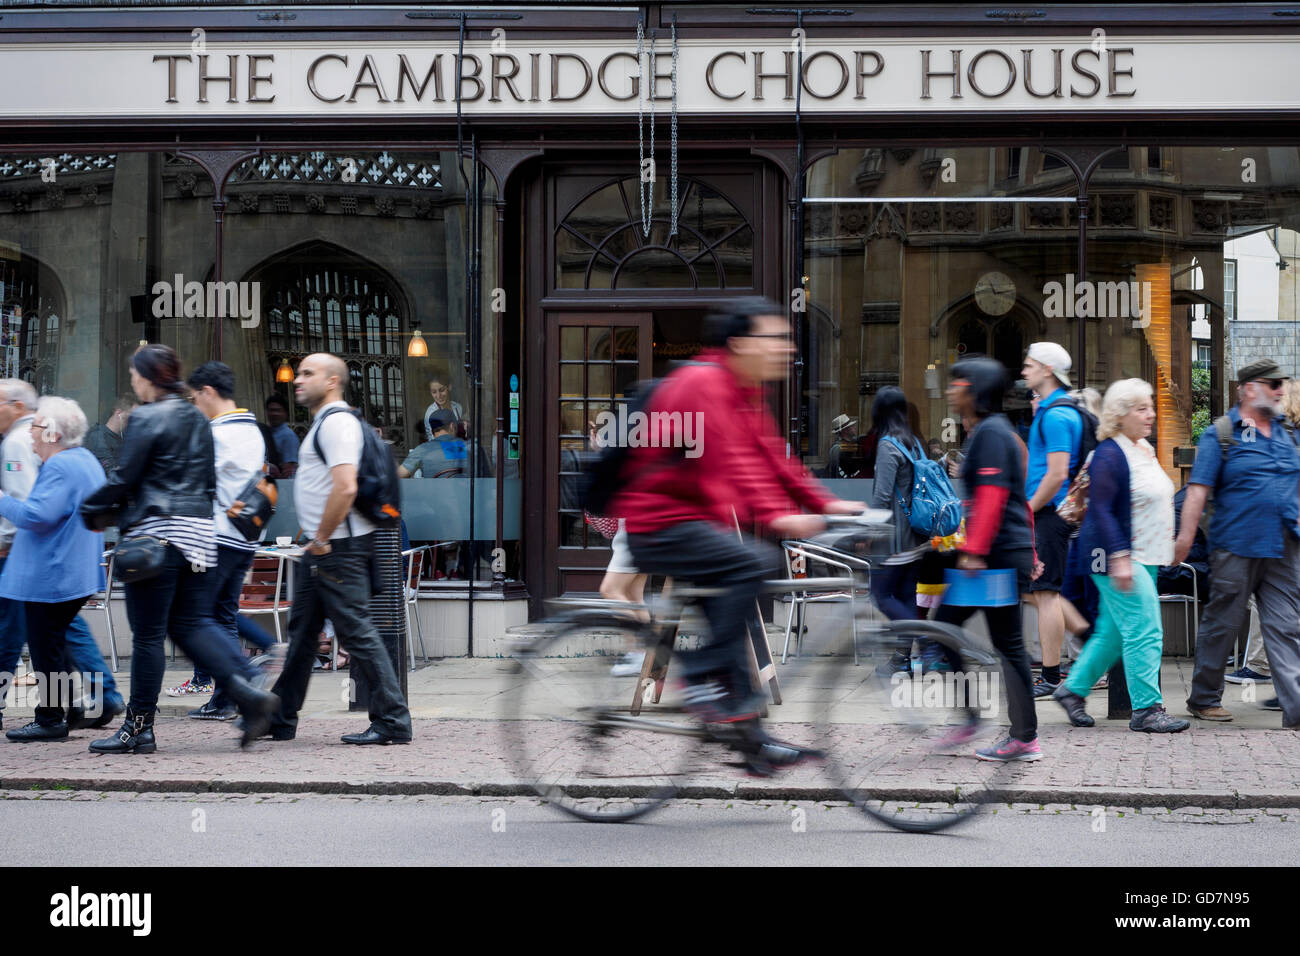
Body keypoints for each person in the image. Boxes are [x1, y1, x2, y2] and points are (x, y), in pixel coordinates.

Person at [611, 297, 865, 777]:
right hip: (659, 521)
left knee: (736, 592)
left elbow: (773, 461)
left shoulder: (743, 392)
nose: (787, 348)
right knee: (749, 562)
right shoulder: (703, 383)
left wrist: (827, 505)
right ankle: (700, 679)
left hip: (693, 523)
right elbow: (728, 466)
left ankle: (751, 740)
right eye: (776, 338)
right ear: (740, 343)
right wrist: (780, 518)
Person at [80, 344, 278, 753]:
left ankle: (138, 728)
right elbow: (206, 481)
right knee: (190, 623)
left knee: (149, 636)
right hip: (199, 536)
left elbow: (125, 475)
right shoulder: (196, 417)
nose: (133, 381)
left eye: (135, 374)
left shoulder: (148, 416)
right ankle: (248, 694)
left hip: (157, 535)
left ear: (149, 376)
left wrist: (93, 508)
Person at [261, 353, 413, 745]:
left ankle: (393, 720)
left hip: (337, 547)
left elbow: (345, 487)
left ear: (332, 381)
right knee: (303, 634)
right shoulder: (327, 424)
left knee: (357, 631)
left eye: (307, 374)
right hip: (325, 546)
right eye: (298, 373)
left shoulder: (337, 424)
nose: (297, 380)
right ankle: (279, 717)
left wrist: (323, 540)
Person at [1051, 379, 1189, 732]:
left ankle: (1072, 690)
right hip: (1119, 556)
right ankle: (1146, 709)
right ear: (1120, 414)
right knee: (1146, 629)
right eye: (1141, 408)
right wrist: (1120, 558)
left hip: (1144, 555)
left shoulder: (1142, 447)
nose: (1151, 414)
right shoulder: (1110, 453)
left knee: (1113, 633)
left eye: (1150, 406)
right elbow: (1101, 512)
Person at [1175, 359, 1300, 726]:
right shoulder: (1222, 433)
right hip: (1236, 545)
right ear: (1248, 389)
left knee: (1286, 625)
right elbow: (1198, 491)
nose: (1280, 390)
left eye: (1283, 384)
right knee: (1222, 623)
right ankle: (1203, 697)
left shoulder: (1288, 432)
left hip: (1284, 546)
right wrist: (1183, 538)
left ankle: (1295, 707)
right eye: (1273, 383)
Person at [0, 380, 124, 731]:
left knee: (46, 650)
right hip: (70, 571)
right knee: (55, 646)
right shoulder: (83, 459)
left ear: (53, 433)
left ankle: (50, 719)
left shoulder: (60, 466)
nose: (32, 435)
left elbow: (37, 516)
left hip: (49, 574)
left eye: (37, 427)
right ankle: (72, 711)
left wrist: (2, 499)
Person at [933, 357, 1040, 760]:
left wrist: (975, 552)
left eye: (957, 382)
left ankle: (1022, 737)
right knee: (949, 630)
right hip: (993, 554)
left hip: (992, 558)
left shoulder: (992, 433)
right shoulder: (991, 432)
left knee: (1003, 644)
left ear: (974, 389)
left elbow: (994, 499)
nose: (950, 389)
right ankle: (981, 722)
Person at [171, 362, 277, 721]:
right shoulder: (252, 428)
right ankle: (228, 696)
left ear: (208, 392)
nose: (193, 403)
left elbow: (190, 478)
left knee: (191, 620)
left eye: (194, 396)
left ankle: (241, 683)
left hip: (218, 536)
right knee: (221, 616)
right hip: (244, 538)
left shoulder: (218, 433)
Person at [1021, 342, 1090, 697]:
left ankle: (1050, 677)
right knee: (1038, 590)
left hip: (1048, 515)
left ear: (1047, 370)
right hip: (1046, 513)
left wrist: (1028, 508)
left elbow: (1057, 474)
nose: (1024, 371)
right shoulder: (1051, 411)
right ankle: (1087, 636)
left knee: (1045, 593)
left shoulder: (1058, 416)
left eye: (1030, 365)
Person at [866, 387, 930, 623]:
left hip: (894, 542)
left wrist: (869, 532)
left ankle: (925, 640)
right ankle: (902, 659)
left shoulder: (887, 445)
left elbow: (882, 498)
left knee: (881, 596)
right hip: (916, 537)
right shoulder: (913, 442)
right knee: (905, 597)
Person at [83, 396, 135, 474]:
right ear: (119, 413)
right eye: (133, 414)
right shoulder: (97, 436)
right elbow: (110, 471)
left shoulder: (124, 438)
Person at [264, 395, 299, 478]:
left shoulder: (288, 436)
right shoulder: (267, 431)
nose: (274, 414)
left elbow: (287, 471)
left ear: (285, 413)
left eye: (278, 410)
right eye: (271, 410)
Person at [422, 377, 464, 442]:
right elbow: (433, 439)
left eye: (441, 390)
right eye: (434, 392)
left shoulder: (458, 407)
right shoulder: (431, 413)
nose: (438, 396)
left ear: (449, 387)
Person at [823, 413, 863, 478]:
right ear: (845, 430)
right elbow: (835, 472)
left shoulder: (853, 444)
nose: (854, 428)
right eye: (851, 426)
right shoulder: (837, 448)